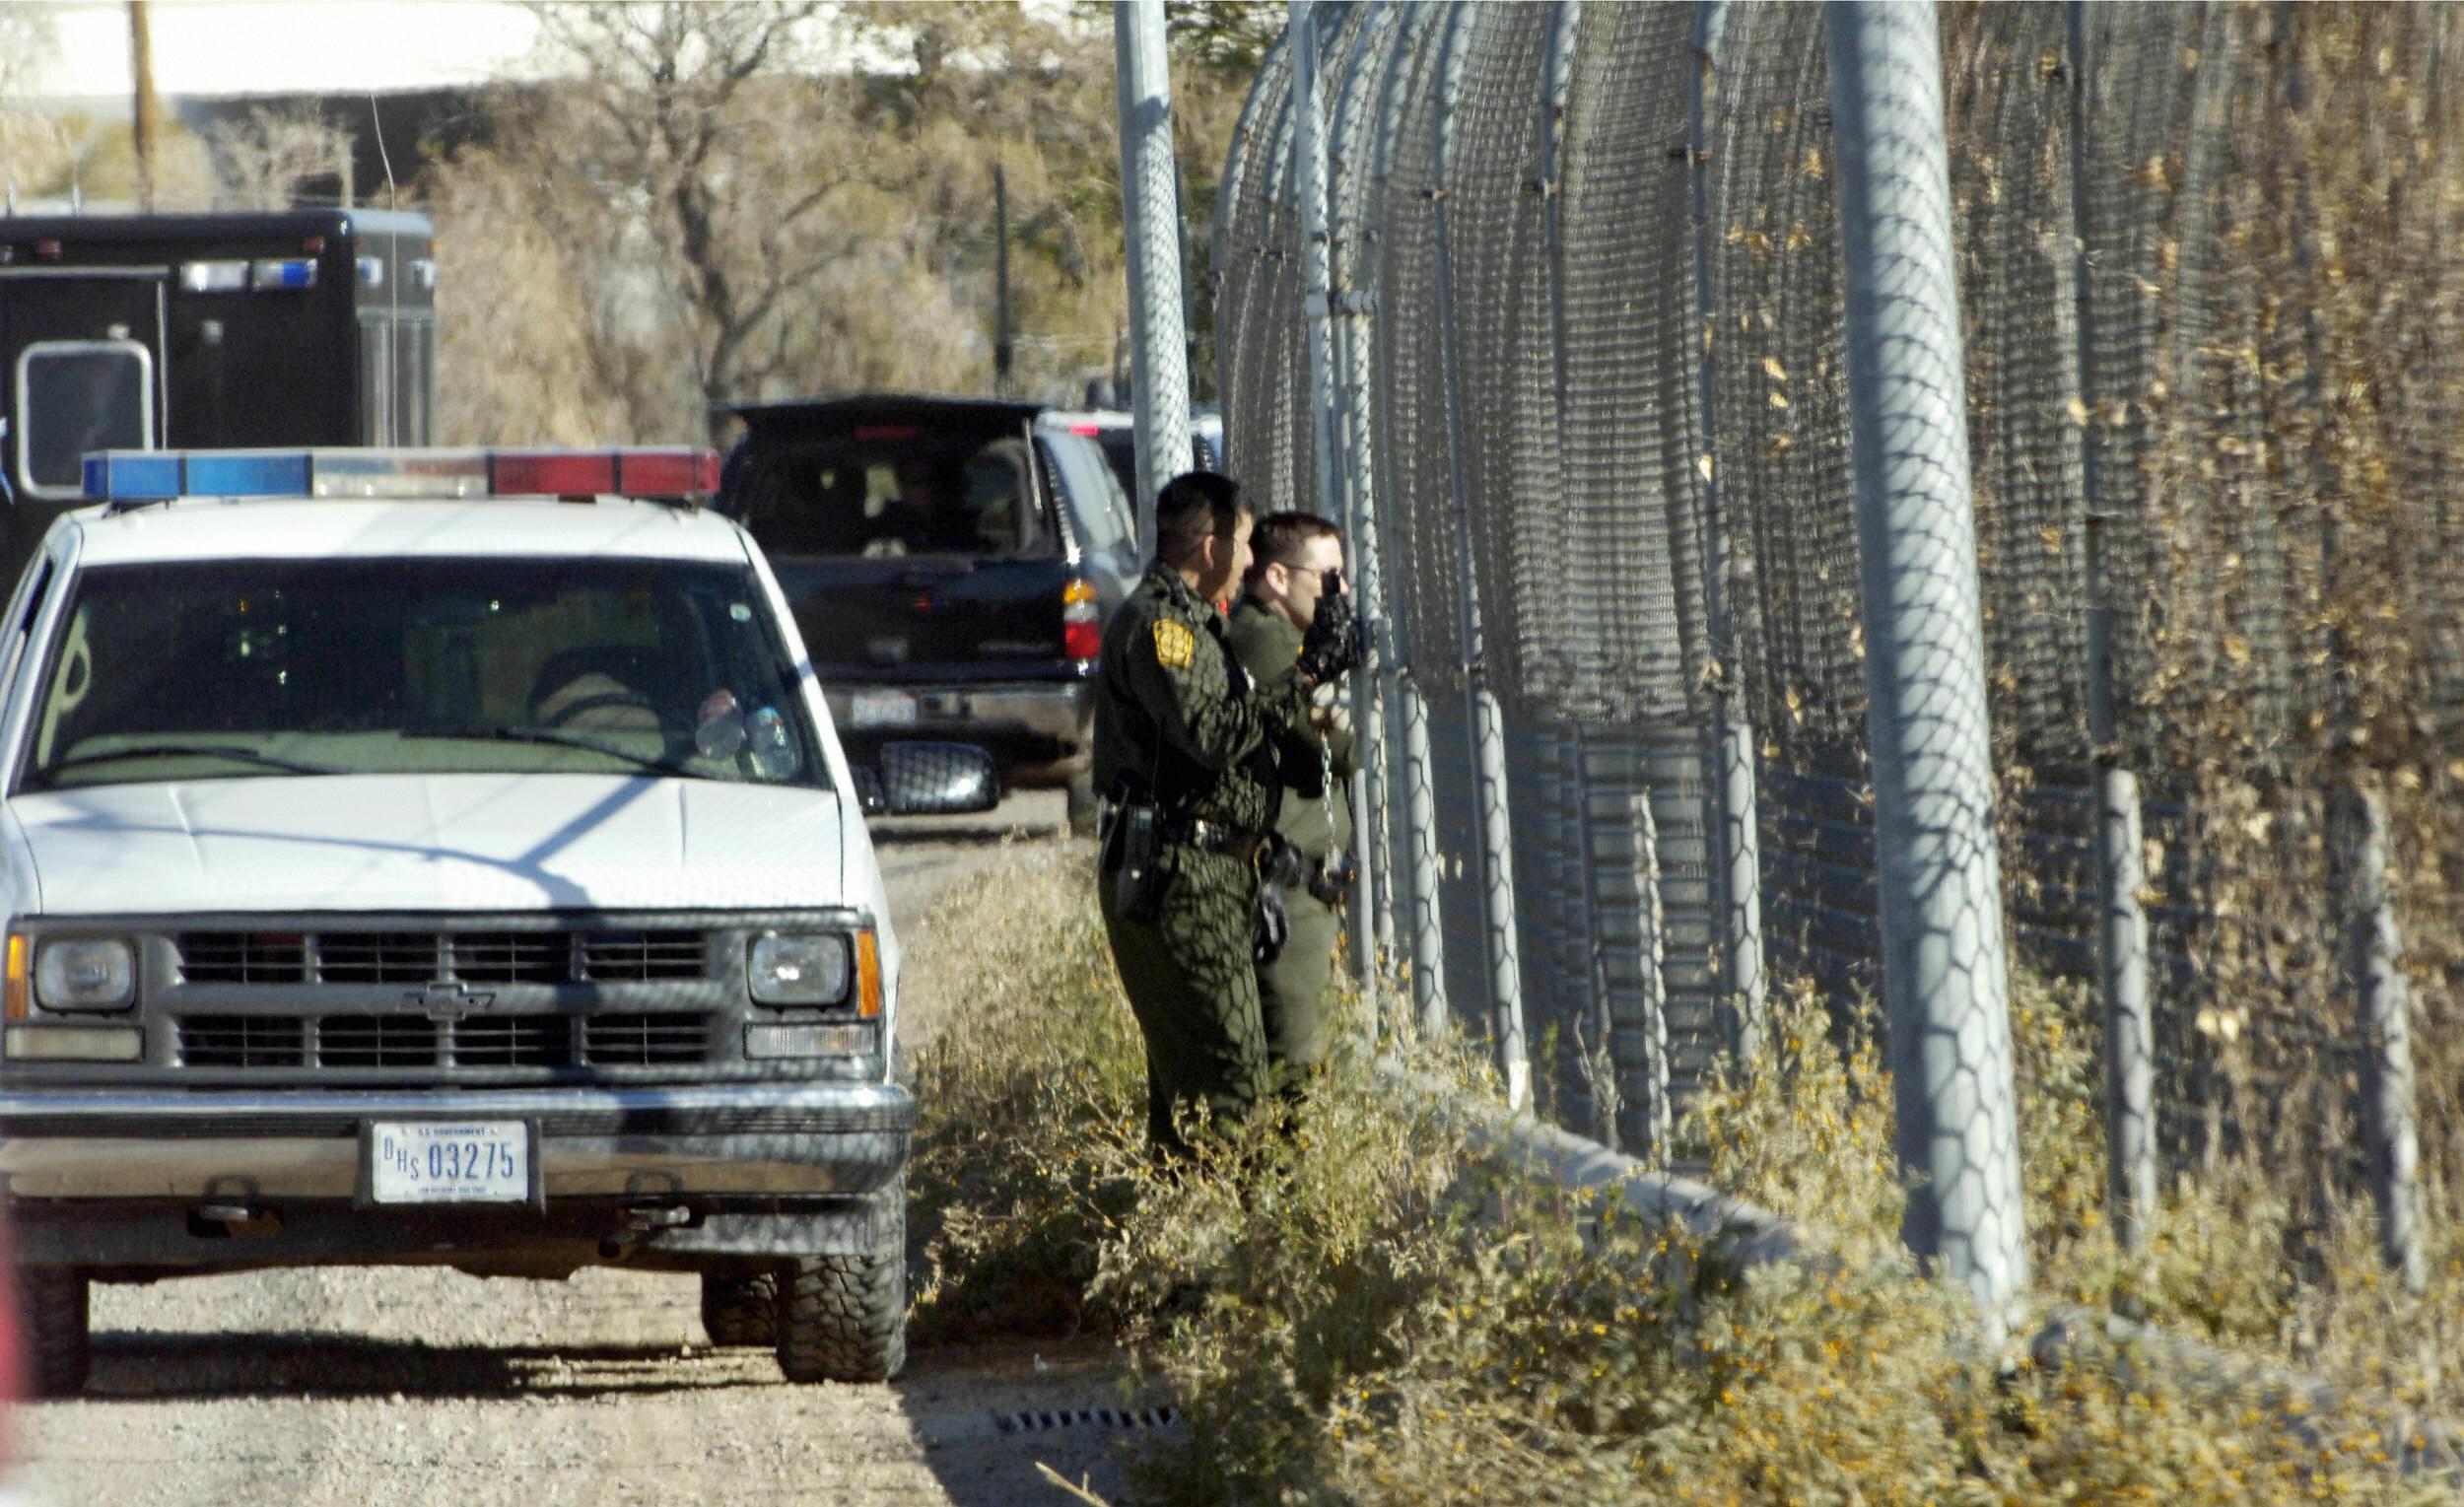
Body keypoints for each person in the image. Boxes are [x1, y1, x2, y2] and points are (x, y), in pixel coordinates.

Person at [1091, 472, 1361, 1155]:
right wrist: (1302, 676)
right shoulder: (1163, 627)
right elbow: (1211, 735)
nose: (1246, 561)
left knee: (1204, 1085)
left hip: (1212, 873)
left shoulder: (1198, 622)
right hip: (1178, 875)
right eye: (1242, 543)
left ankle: (1189, 1239)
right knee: (1232, 1090)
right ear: (1210, 545)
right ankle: (1220, 1242)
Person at [1225, 513, 1358, 1095]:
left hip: (1306, 882)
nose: (1341, 593)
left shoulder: (1283, 637)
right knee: (1300, 1067)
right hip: (1286, 887)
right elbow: (1329, 741)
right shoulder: (1265, 638)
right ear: (1278, 577)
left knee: (1308, 1058)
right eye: (1328, 579)